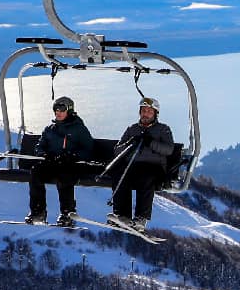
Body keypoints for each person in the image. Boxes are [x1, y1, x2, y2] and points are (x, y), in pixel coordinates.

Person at [108, 96, 176, 233]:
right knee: (120, 175)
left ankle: (141, 218)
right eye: (143, 111)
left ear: (155, 114)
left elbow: (169, 149)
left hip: (153, 166)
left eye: (149, 112)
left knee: (145, 178)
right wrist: (129, 143)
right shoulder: (132, 129)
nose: (146, 114)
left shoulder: (163, 129)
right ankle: (121, 215)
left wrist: (151, 143)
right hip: (133, 165)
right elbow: (117, 149)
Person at [26, 96, 94, 225]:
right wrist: (45, 154)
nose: (58, 112)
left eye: (61, 109)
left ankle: (67, 213)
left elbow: (88, 149)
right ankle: (38, 211)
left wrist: (73, 156)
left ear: (69, 111)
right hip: (53, 163)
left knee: (64, 176)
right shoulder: (50, 129)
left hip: (71, 165)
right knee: (36, 172)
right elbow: (39, 146)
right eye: (56, 109)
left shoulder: (78, 129)